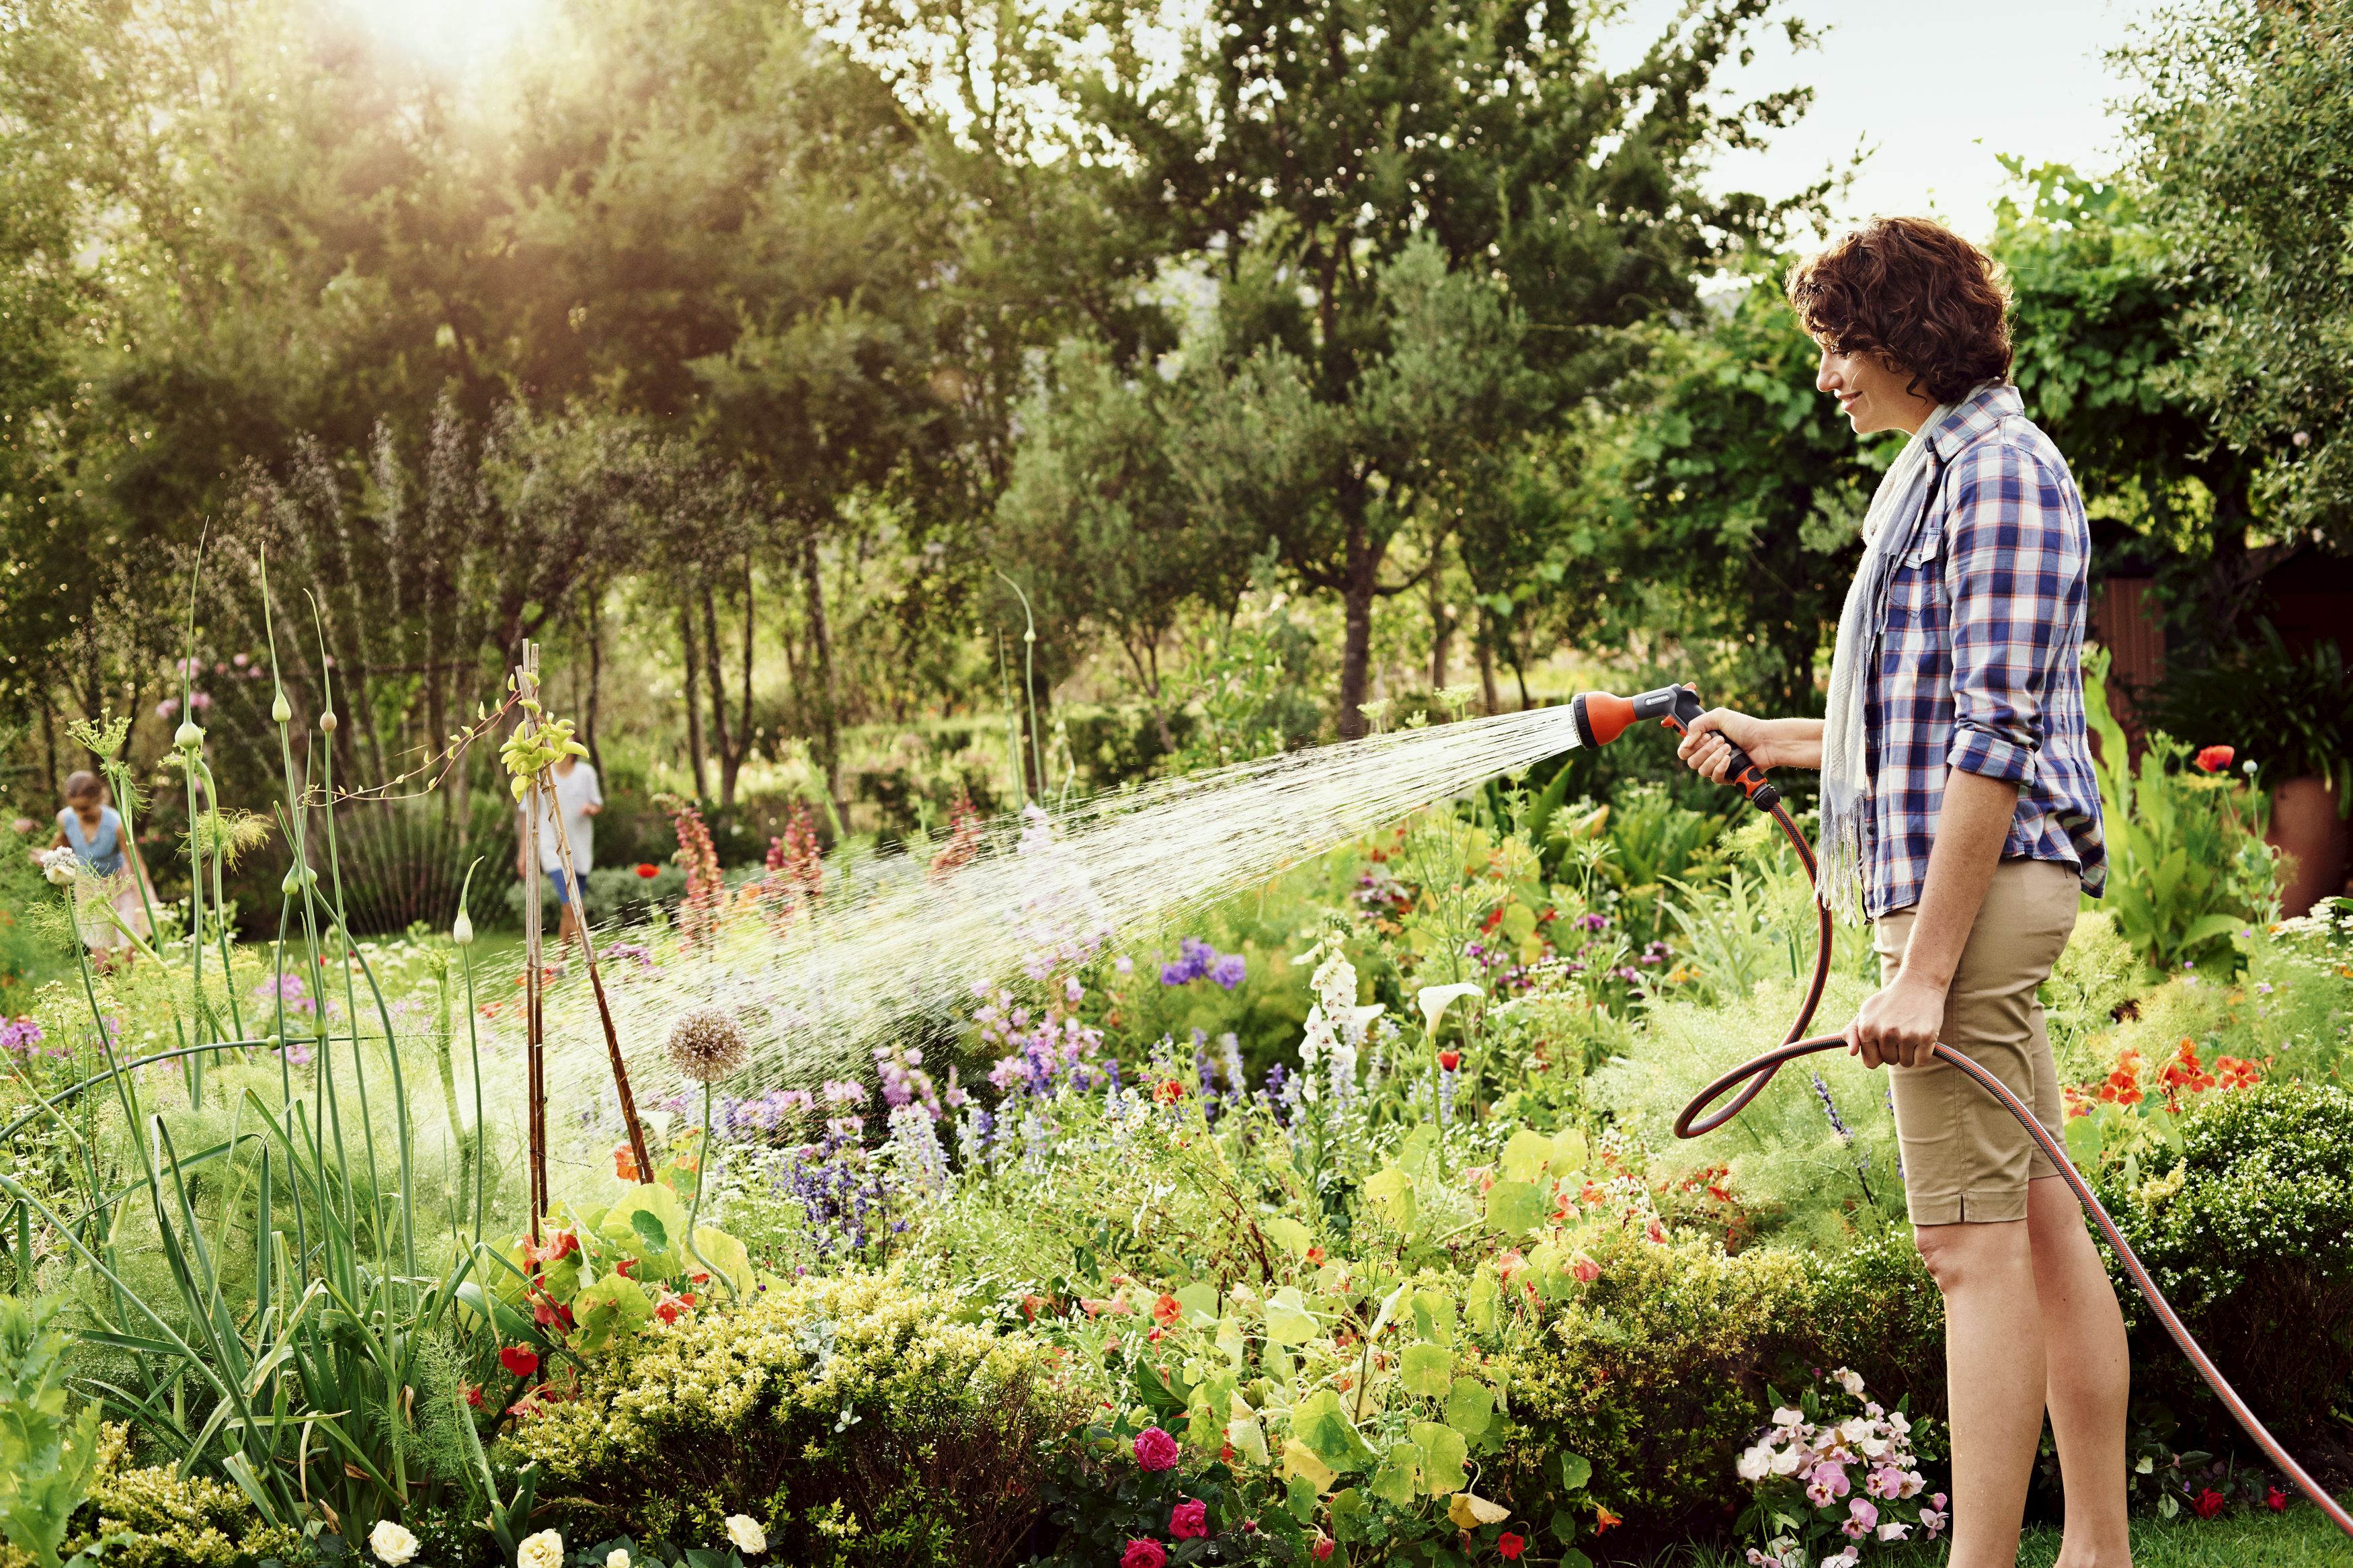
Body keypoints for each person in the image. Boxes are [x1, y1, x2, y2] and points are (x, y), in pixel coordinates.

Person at [1677, 218, 2126, 1568]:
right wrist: (1781, 734)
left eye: (1838, 344)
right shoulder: (1945, 476)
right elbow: (1931, 718)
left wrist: (1923, 966)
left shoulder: (1996, 476)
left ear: (1908, 335)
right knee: (2039, 1225)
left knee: (1961, 1246)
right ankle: (2097, 1547)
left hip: (1970, 904)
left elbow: (1993, 739)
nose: (1827, 376)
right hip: (1969, 891)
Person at [49, 770, 154, 964]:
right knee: (103, 964)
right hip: (89, 889)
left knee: (127, 960)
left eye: (86, 808)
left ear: (100, 800)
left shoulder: (117, 825)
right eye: (75, 809)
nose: (80, 814)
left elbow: (138, 868)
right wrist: (49, 857)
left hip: (121, 887)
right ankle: (110, 995)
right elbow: (63, 845)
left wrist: (141, 907)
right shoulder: (65, 819)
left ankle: (130, 992)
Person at [516, 751, 603, 948]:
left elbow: (597, 804)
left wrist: (591, 808)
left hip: (580, 851)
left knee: (570, 908)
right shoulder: (540, 774)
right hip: (552, 850)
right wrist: (524, 854)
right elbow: (526, 814)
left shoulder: (586, 773)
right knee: (572, 905)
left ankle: (560, 964)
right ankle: (590, 958)